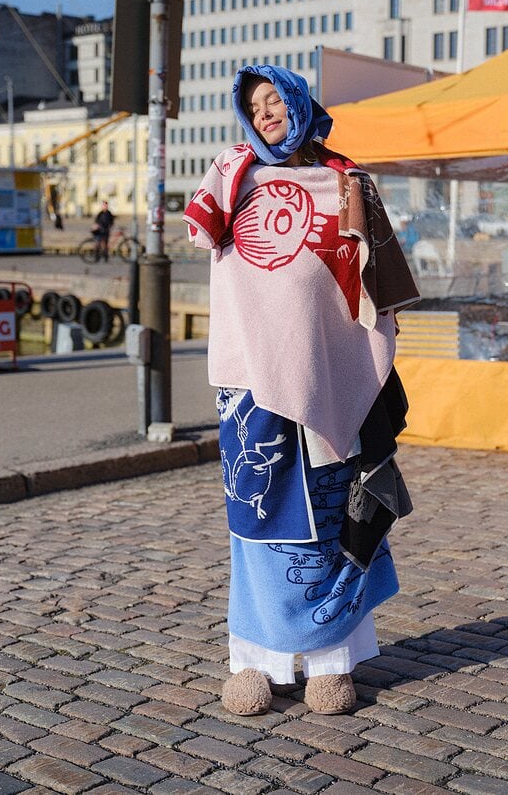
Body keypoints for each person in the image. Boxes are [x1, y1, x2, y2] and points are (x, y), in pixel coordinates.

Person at [183, 65, 420, 717]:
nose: (264, 114)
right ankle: (255, 660)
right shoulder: (233, 176)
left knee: (333, 515)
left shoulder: (343, 179)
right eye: (253, 106)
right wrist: (229, 172)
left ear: (297, 102)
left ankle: (330, 662)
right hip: (249, 382)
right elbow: (198, 230)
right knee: (258, 520)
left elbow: (380, 277)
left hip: (329, 370)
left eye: (273, 101)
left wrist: (375, 335)